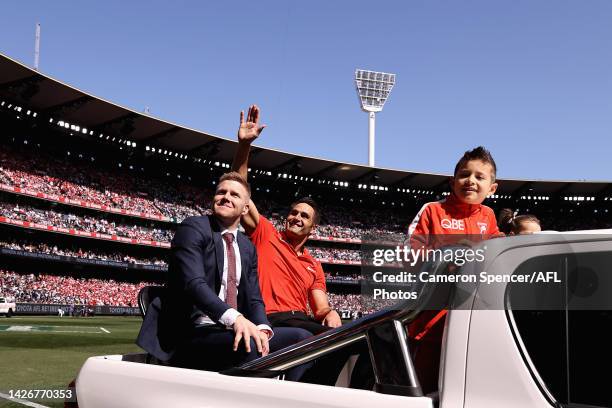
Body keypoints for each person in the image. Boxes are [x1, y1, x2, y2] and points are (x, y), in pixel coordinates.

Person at [136, 172, 311, 377]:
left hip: (226, 332)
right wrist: (235, 319)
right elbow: (194, 283)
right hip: (190, 332)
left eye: (234, 194)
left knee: (303, 339)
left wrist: (263, 328)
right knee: (250, 346)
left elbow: (255, 299)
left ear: (246, 208)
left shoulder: (247, 247)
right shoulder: (193, 227)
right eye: (221, 192)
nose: (226, 197)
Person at [230, 105, 341, 336]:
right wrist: (244, 146)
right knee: (308, 338)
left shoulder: (314, 266)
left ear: (313, 227)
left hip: (301, 319)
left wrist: (330, 313)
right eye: (294, 213)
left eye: (304, 216)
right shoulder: (266, 233)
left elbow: (320, 307)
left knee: (351, 341)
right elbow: (239, 190)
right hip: (269, 319)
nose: (296, 217)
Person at [408, 146, 501, 246]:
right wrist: (446, 254)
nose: (470, 180)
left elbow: (497, 247)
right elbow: (410, 248)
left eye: (479, 177)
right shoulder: (431, 210)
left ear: (491, 189)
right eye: (464, 175)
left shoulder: (489, 214)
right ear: (452, 183)